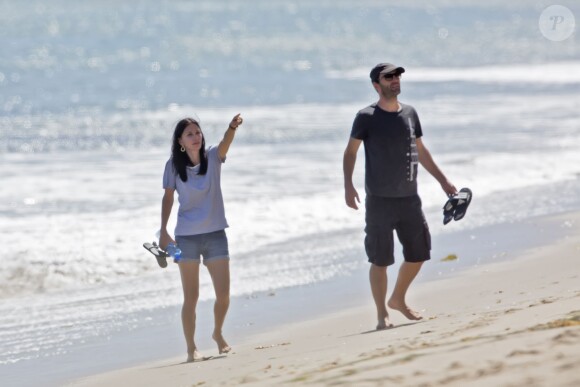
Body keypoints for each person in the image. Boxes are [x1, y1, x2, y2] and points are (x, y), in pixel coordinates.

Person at [343, 63, 457, 330]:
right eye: (389, 77)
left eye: (398, 76)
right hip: (379, 200)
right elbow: (350, 152)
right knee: (380, 260)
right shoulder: (366, 117)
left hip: (409, 198)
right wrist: (348, 185)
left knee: (419, 253)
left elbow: (420, 150)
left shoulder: (410, 113)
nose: (395, 80)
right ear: (376, 84)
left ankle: (398, 298)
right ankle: (382, 313)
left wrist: (443, 180)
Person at [159, 113, 243, 361]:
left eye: (198, 132)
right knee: (191, 298)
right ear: (181, 142)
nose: (196, 137)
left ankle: (217, 333)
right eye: (190, 134)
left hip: (216, 233)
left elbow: (226, 142)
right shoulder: (173, 166)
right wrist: (163, 230)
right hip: (187, 237)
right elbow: (167, 198)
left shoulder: (214, 157)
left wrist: (231, 127)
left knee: (224, 295)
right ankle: (190, 348)